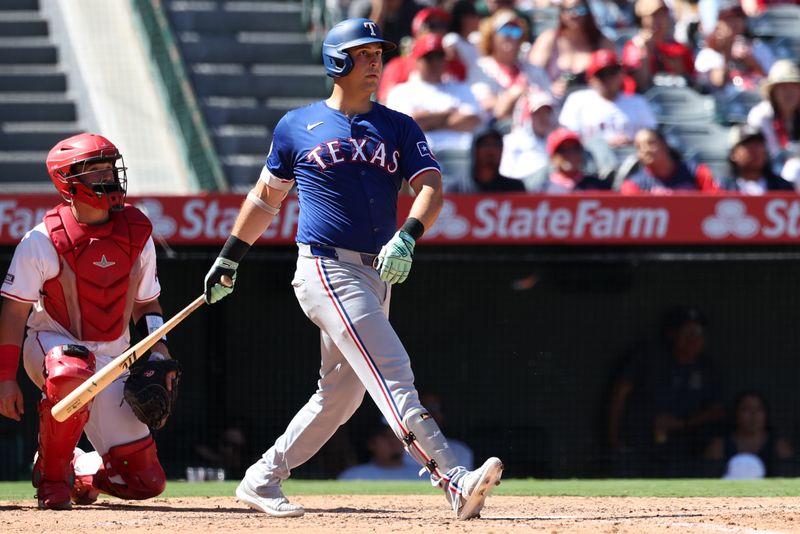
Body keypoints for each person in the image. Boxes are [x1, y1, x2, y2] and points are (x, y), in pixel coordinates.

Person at [202, 19, 503, 520]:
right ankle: (451, 477)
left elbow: (430, 186)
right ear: (336, 62)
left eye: (379, 54)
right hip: (325, 266)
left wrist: (408, 233)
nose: (375, 62)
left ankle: (261, 478)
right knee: (392, 370)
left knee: (340, 397)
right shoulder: (297, 125)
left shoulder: (398, 125)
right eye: (364, 54)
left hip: (378, 269)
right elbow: (265, 199)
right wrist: (230, 255)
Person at [0, 133, 179, 509]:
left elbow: (147, 305)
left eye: (110, 169)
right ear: (67, 182)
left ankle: (80, 469)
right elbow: (15, 312)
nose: (108, 178)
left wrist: (159, 350)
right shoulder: (42, 239)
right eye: (95, 172)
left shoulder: (137, 231)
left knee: (145, 482)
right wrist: (5, 380)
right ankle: (52, 479)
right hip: (51, 348)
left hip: (114, 361)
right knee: (71, 369)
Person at [607, 306, 725, 477]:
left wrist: (682, 423)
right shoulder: (648, 357)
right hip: (637, 444)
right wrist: (613, 437)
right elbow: (619, 394)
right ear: (672, 333)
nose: (693, 338)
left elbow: (719, 410)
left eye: (698, 332)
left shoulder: (706, 367)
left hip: (683, 450)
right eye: (687, 331)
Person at [385, 33, 485, 153]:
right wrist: (449, 114)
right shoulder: (401, 91)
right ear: (417, 61)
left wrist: (427, 123)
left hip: (460, 156)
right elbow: (407, 126)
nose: (435, 63)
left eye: (439, 57)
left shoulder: (460, 88)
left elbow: (472, 119)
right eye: (429, 58)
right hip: (418, 158)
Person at [559, 49, 657, 147]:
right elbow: (568, 141)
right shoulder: (577, 100)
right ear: (591, 79)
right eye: (602, 75)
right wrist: (604, 146)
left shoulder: (638, 102)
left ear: (620, 75)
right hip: (591, 159)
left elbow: (653, 137)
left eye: (612, 73)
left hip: (633, 158)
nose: (608, 79)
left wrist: (633, 142)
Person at [469, 9, 550, 122]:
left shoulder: (534, 70)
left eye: (515, 31)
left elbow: (548, 100)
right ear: (491, 36)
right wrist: (514, 94)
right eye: (504, 30)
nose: (510, 36)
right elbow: (483, 104)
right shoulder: (481, 67)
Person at [528, 0, 615, 99]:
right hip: (552, 104)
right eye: (569, 9)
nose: (575, 14)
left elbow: (614, 77)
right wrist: (550, 88)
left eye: (580, 9)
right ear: (561, 13)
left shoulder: (602, 41)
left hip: (591, 103)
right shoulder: (549, 39)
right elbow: (531, 75)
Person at [705, 391, 793, 477]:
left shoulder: (780, 446)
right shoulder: (719, 446)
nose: (753, 415)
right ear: (736, 413)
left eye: (759, 409)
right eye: (747, 409)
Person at [694, 0, 775, 93]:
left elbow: (773, 81)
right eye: (728, 19)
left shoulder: (758, 47)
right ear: (718, 24)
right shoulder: (708, 55)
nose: (734, 23)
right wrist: (727, 52)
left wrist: (751, 61)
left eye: (738, 18)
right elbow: (718, 82)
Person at [621, 0, 696, 93]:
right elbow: (640, 85)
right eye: (654, 15)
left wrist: (677, 66)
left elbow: (691, 83)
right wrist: (645, 52)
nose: (660, 20)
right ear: (642, 19)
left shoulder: (678, 48)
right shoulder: (634, 47)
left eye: (663, 15)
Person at [620, 128, 719, 194]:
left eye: (651, 143)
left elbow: (716, 201)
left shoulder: (697, 172)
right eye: (639, 147)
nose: (646, 150)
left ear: (665, 144)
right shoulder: (633, 184)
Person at [445, 127, 528, 193]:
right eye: (485, 144)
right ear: (474, 150)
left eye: (496, 144)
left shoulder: (515, 189)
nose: (491, 150)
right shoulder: (457, 188)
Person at [717, 124, 795, 193]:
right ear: (733, 154)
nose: (756, 150)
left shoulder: (784, 188)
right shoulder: (722, 189)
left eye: (759, 144)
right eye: (748, 145)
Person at [747, 60, 800, 160]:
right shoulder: (760, 116)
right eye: (783, 88)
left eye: (794, 87)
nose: (789, 93)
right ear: (773, 93)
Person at [500, 89, 557, 181]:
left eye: (546, 112)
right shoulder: (513, 141)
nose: (543, 117)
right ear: (529, 115)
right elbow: (505, 172)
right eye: (538, 113)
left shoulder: (555, 141)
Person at [338, 419, 424, 480]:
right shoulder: (354, 477)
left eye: (398, 436)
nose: (393, 441)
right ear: (372, 444)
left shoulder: (424, 475)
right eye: (385, 436)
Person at [537, 127, 610, 192]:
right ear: (552, 157)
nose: (570, 155)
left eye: (575, 149)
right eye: (563, 151)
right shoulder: (542, 191)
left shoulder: (599, 187)